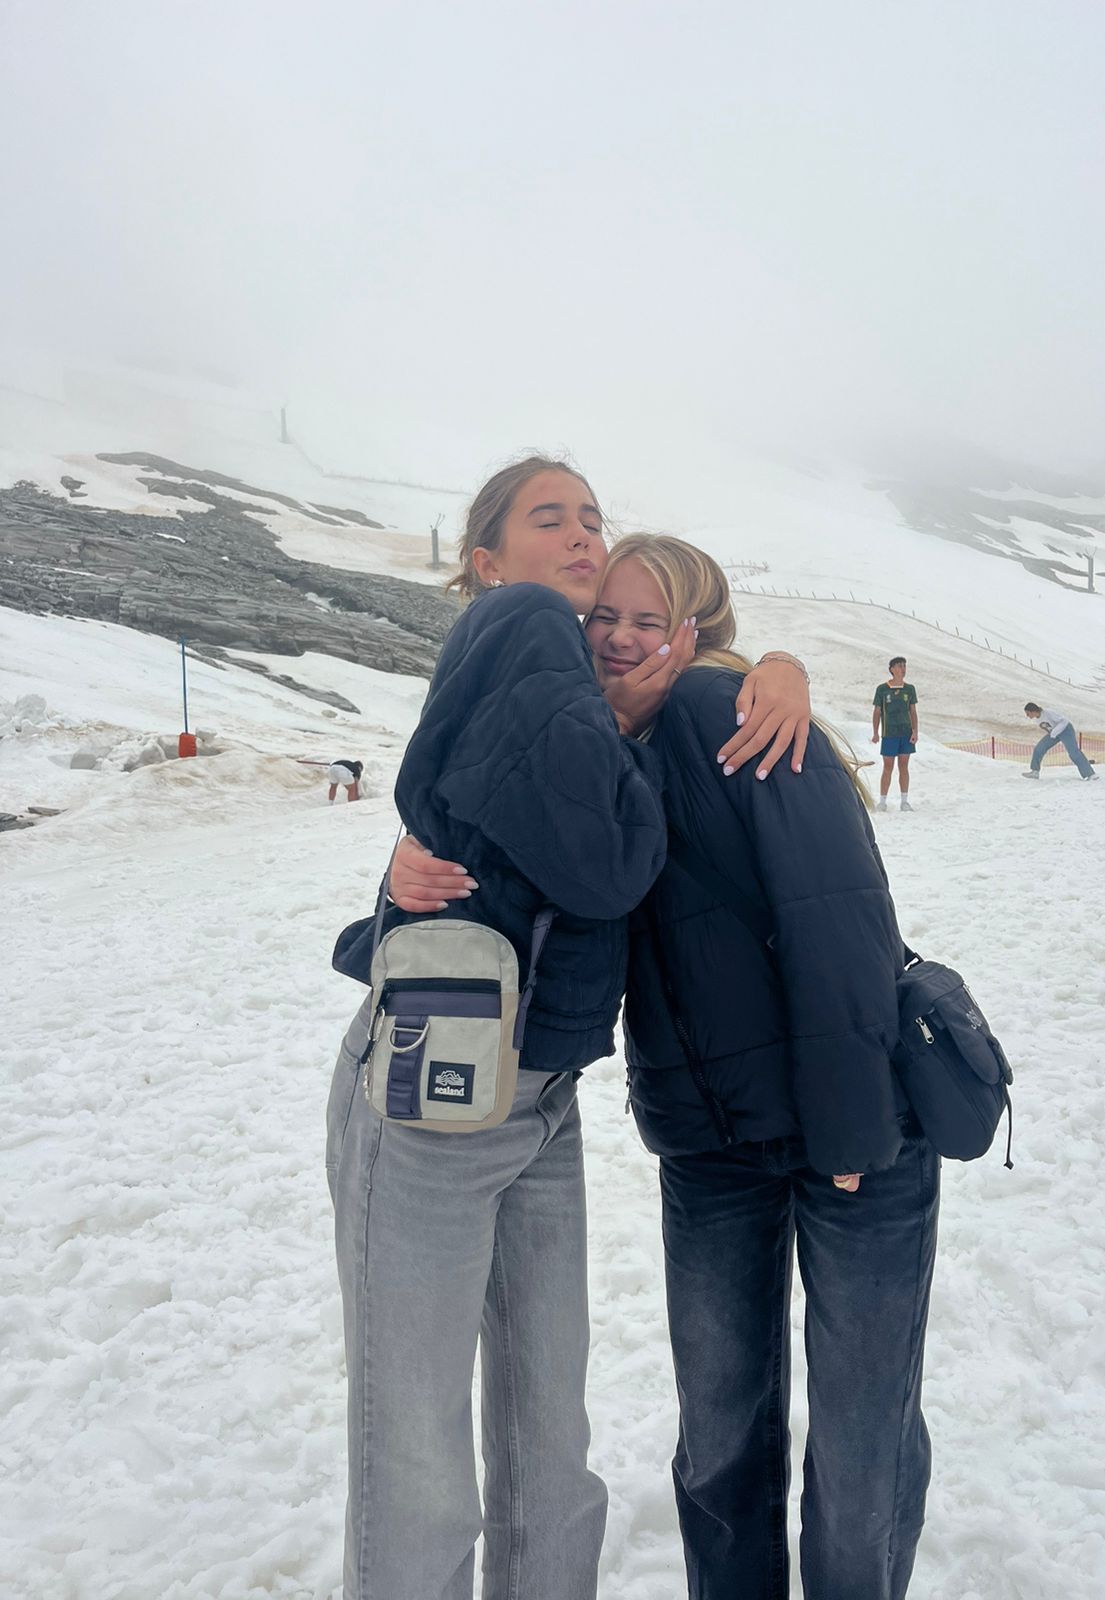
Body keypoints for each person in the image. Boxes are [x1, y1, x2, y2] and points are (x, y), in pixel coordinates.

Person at [397, 534, 937, 1600]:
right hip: (710, 1145)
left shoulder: (726, 713)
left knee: (861, 1438)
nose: (619, 638)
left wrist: (850, 1133)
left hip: (852, 1135)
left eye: (649, 620)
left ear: (696, 631)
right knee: (722, 1433)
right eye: (604, 617)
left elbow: (840, 923)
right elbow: (504, 869)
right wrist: (402, 869)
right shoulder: (593, 749)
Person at [326, 456, 814, 1600]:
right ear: (487, 561)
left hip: (534, 1096)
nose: (584, 533)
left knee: (547, 1443)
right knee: (425, 1455)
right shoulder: (523, 622)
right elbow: (609, 863)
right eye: (550, 517)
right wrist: (639, 716)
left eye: (593, 515)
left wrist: (772, 668)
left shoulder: (559, 677)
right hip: (434, 1097)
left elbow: (489, 847)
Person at [870, 655, 918, 811]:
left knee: (904, 766)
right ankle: (882, 802)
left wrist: (915, 731)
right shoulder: (882, 689)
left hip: (905, 733)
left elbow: (913, 711)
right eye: (899, 666)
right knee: (888, 766)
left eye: (904, 666)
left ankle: (904, 801)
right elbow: (877, 712)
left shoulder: (909, 689)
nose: (902, 669)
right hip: (889, 733)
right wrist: (875, 732)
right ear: (892, 669)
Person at [1021, 702, 1097, 780]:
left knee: (1073, 752)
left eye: (1028, 713)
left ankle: (1091, 775)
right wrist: (1053, 733)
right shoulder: (1038, 719)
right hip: (1054, 734)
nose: (1027, 716)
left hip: (1065, 730)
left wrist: (1054, 732)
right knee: (1039, 748)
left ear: (1033, 711)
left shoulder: (1048, 713)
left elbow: (1064, 721)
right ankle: (1035, 772)